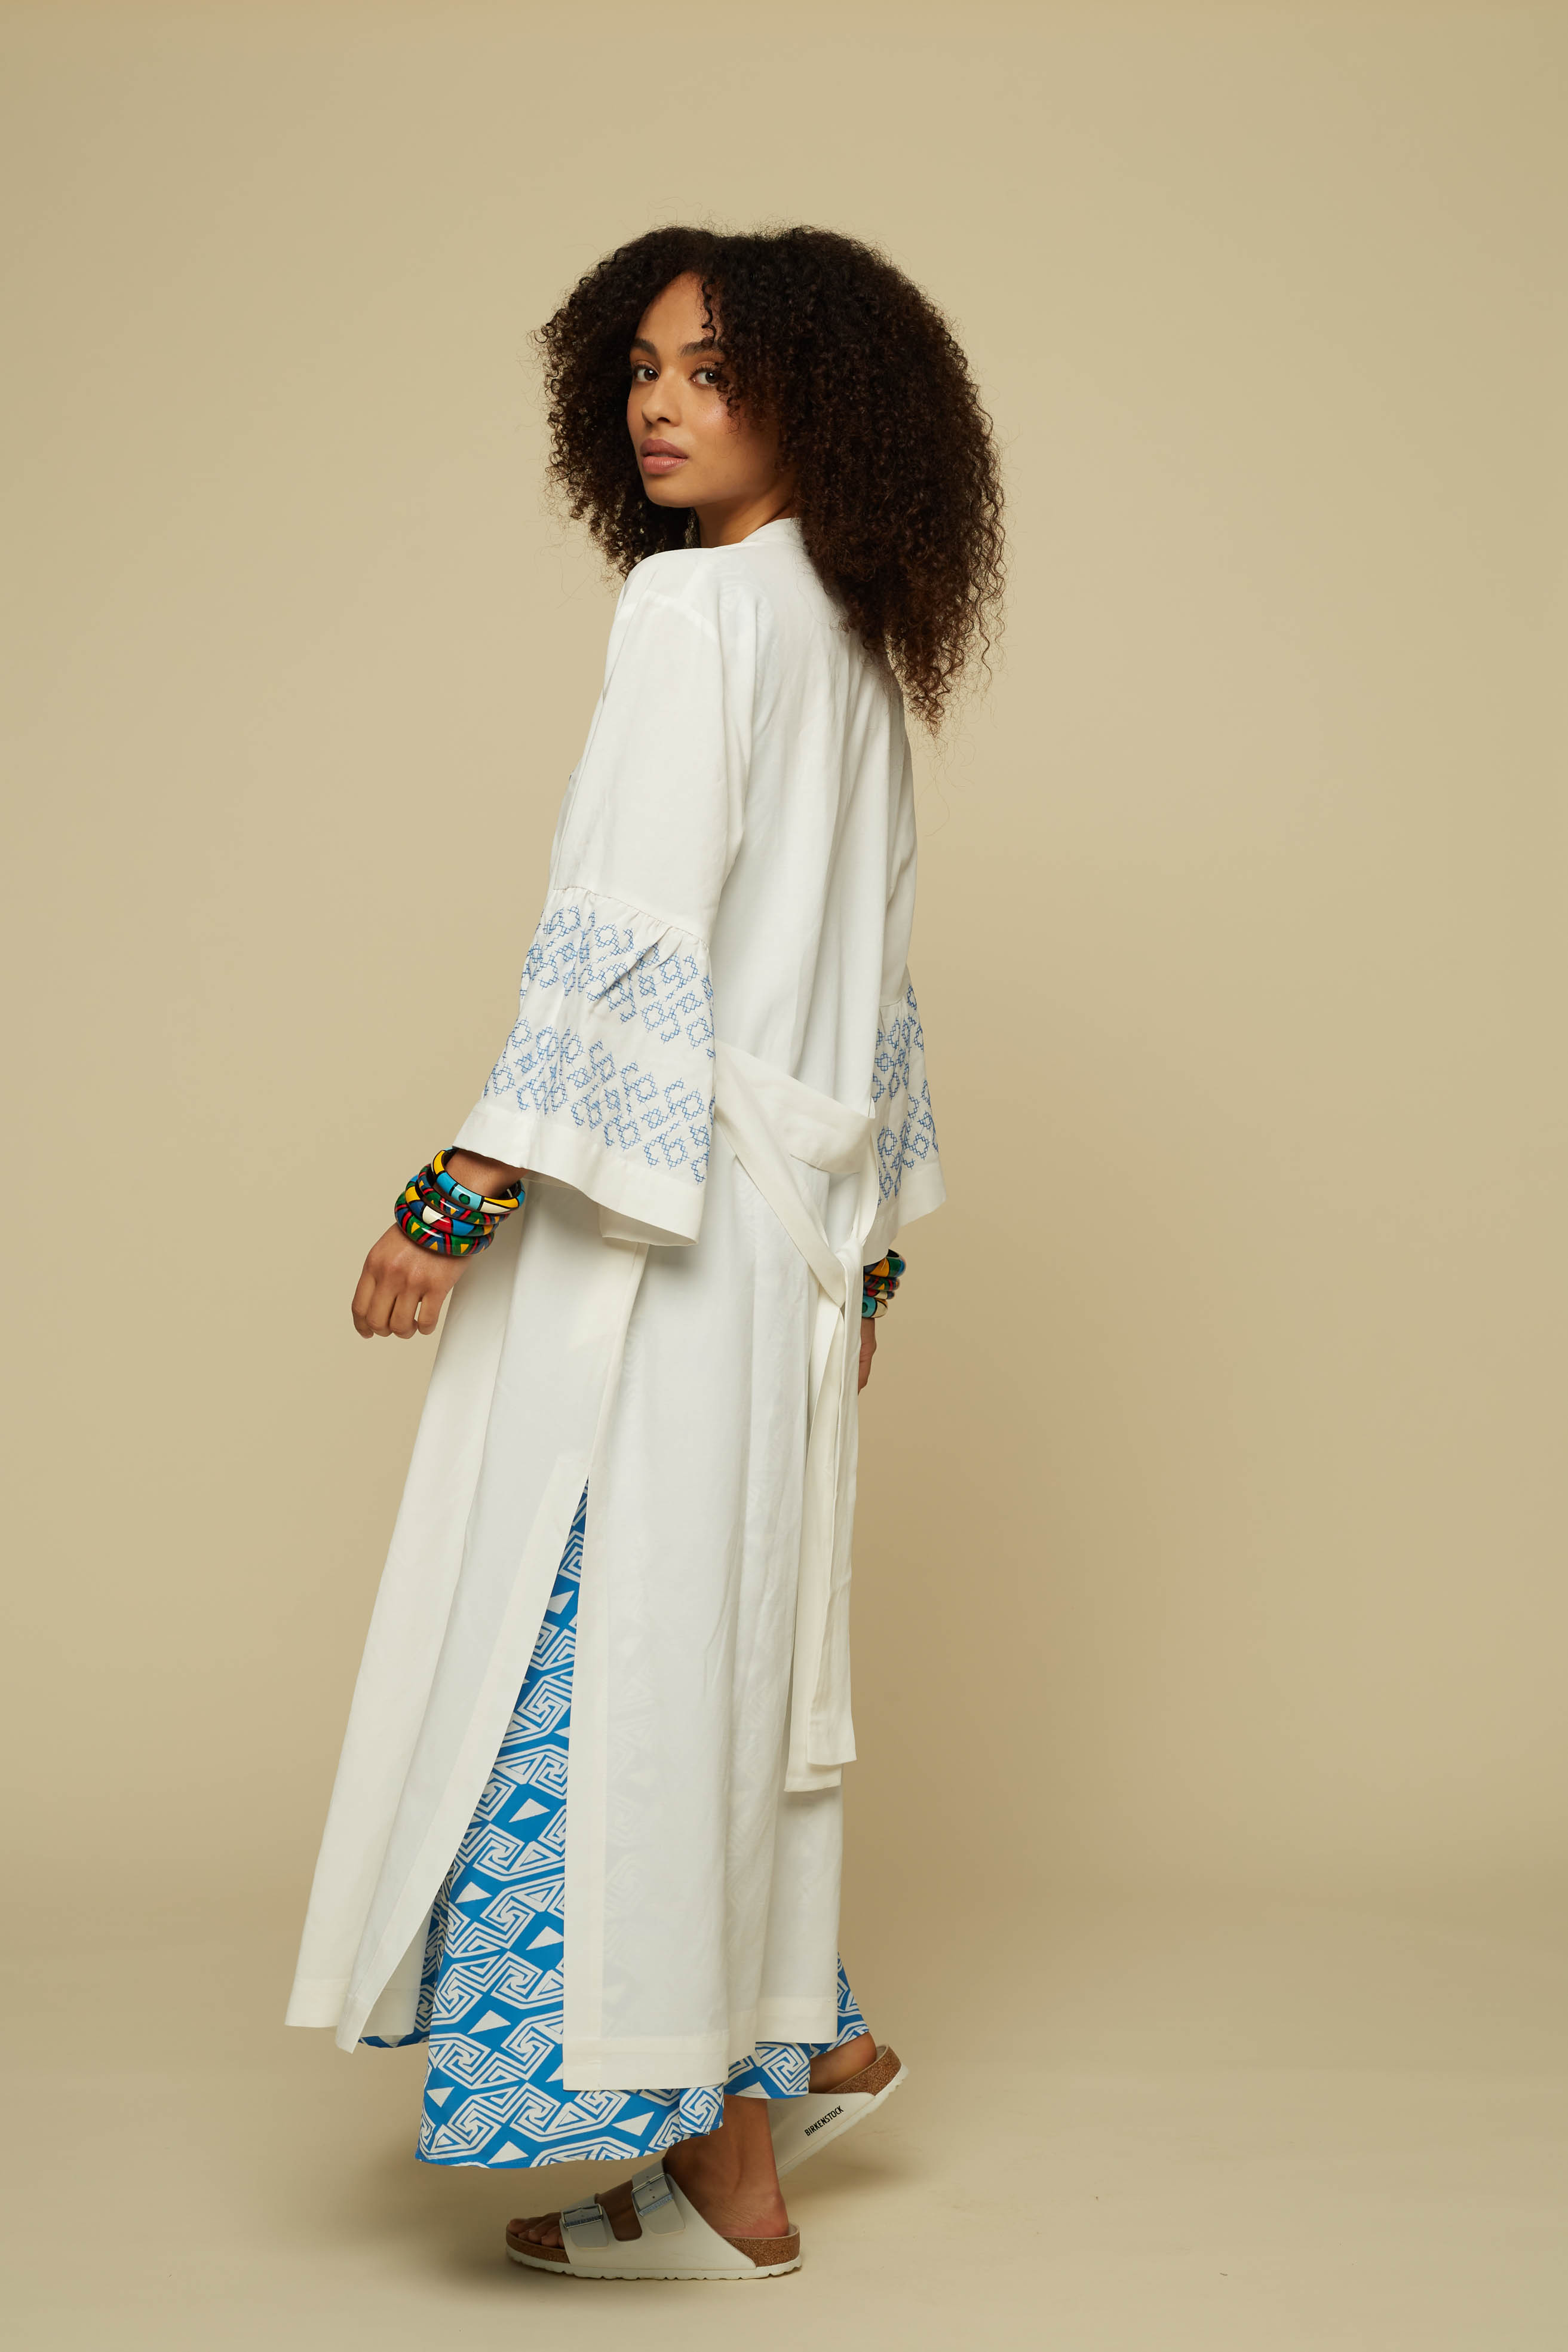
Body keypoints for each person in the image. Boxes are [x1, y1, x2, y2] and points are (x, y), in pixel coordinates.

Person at [286, 223, 1004, 2282]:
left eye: (709, 369)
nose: (659, 405)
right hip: (788, 1258)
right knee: (732, 1659)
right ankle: (780, 2073)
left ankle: (716, 2155)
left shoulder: (697, 613)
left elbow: (626, 932)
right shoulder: (854, 639)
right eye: (638, 370)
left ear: (817, 395)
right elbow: (871, 1008)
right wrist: (862, 1264)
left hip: (666, 1244)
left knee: (606, 1661)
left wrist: (457, 1194)